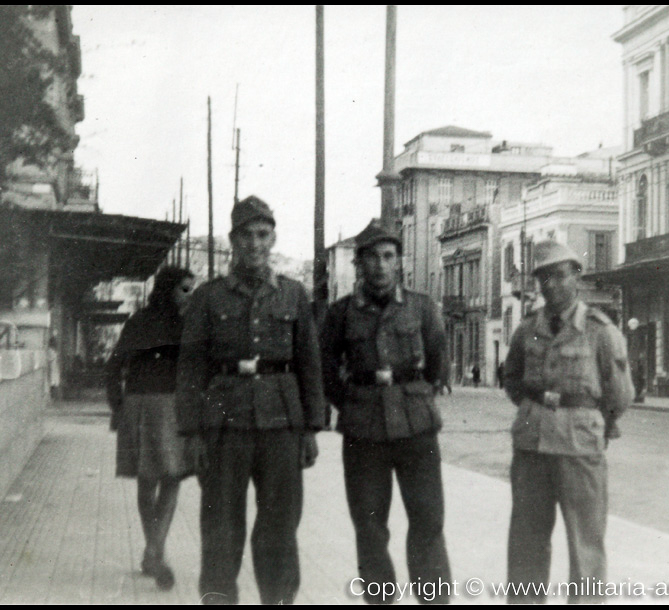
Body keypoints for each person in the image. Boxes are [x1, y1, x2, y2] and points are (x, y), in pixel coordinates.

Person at [176, 195, 325, 605]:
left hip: (282, 424)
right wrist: (191, 432)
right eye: (247, 235)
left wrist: (312, 428)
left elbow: (310, 364)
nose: (255, 244)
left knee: (280, 527)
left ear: (273, 238)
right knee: (220, 528)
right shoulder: (208, 297)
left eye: (263, 234)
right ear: (232, 240)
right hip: (224, 426)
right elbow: (190, 369)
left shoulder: (294, 295)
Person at [320, 218, 452, 604]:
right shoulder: (341, 314)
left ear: (399, 262)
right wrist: (353, 402)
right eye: (372, 257)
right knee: (370, 525)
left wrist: (413, 394)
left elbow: (438, 363)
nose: (380, 264)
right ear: (358, 264)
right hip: (364, 432)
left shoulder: (422, 307)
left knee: (428, 521)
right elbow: (326, 369)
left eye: (388, 256)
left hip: (416, 429)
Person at [502, 241, 633, 604]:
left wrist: (591, 420)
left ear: (576, 276)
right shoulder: (527, 328)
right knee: (526, 544)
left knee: (585, 546)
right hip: (531, 448)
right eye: (544, 278)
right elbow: (512, 378)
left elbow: (620, 395)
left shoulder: (600, 330)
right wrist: (536, 410)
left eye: (560, 275)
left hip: (579, 450)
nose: (552, 285)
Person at [105, 265, 196, 591]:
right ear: (168, 289)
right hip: (168, 407)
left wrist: (118, 407)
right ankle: (155, 550)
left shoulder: (138, 321)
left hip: (142, 407)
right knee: (170, 479)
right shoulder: (186, 325)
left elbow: (113, 366)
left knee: (149, 481)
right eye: (185, 289)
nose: (190, 295)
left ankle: (153, 551)